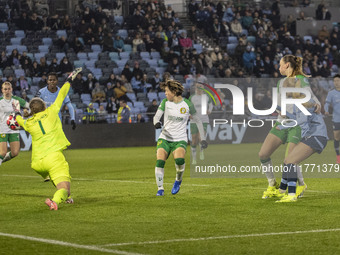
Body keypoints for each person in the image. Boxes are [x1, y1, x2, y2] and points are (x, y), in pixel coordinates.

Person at [13, 68, 82, 210]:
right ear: (44, 106)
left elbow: (19, 119)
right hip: (53, 158)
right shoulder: (51, 112)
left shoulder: (29, 123)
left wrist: (16, 113)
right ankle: (55, 201)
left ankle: (65, 196)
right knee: (65, 189)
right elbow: (62, 93)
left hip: (37, 163)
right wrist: (69, 79)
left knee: (53, 176)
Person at [258, 55, 321, 199]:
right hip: (282, 122)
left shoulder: (302, 80)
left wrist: (317, 105)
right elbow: (281, 102)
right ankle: (272, 184)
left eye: (280, 65)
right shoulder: (281, 82)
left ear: (287, 65)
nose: (278, 67)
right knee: (263, 154)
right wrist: (280, 109)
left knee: (290, 159)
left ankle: (301, 185)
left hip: (297, 124)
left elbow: (311, 97)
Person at [153, 80, 207, 196]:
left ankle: (178, 180)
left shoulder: (187, 104)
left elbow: (198, 120)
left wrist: (202, 139)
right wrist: (156, 123)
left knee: (179, 161)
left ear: (174, 91)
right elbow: (156, 116)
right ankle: (160, 189)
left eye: (167, 91)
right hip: (165, 137)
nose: (165, 94)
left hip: (180, 139)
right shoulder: (165, 102)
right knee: (160, 161)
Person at [275, 94, 328, 202]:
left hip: (316, 136)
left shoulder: (305, 101)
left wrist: (282, 126)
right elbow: (298, 118)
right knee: (287, 160)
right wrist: (285, 114)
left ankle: (291, 195)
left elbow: (302, 120)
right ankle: (282, 190)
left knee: (291, 161)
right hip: (311, 136)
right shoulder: (300, 103)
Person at [0, 82, 29, 166]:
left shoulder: (17, 100)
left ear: (11, 89)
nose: (7, 91)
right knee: (2, 153)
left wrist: (27, 111)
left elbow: (29, 106)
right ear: (2, 90)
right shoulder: (0, 101)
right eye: (5, 89)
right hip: (2, 129)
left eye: (9, 89)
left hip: (14, 129)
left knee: (15, 152)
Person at [189, 82, 213, 164]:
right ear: (195, 88)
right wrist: (189, 114)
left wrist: (209, 110)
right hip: (194, 120)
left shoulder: (206, 96)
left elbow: (211, 104)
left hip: (204, 119)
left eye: (200, 86)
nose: (199, 88)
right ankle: (194, 158)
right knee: (194, 139)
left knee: (201, 137)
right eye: (197, 87)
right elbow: (187, 107)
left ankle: (201, 151)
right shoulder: (192, 97)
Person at [324, 74, 340, 163]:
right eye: (335, 81)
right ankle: (338, 157)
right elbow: (326, 103)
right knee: (336, 138)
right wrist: (326, 110)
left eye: (338, 81)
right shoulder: (331, 93)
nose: (336, 83)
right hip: (336, 119)